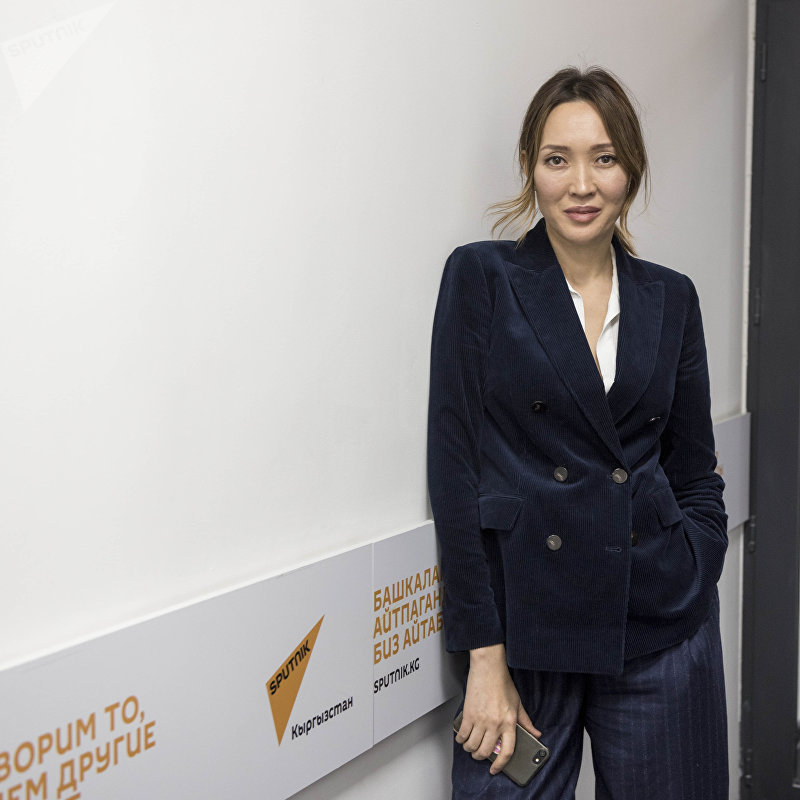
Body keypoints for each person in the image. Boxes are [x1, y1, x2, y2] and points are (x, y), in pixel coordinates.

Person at [427, 66, 728, 800]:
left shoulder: (671, 297)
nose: (581, 185)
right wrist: (484, 656)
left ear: (631, 169)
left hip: (656, 619)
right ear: (531, 168)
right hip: (529, 632)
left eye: (604, 158)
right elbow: (454, 471)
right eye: (558, 159)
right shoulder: (483, 277)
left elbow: (694, 469)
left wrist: (698, 558)